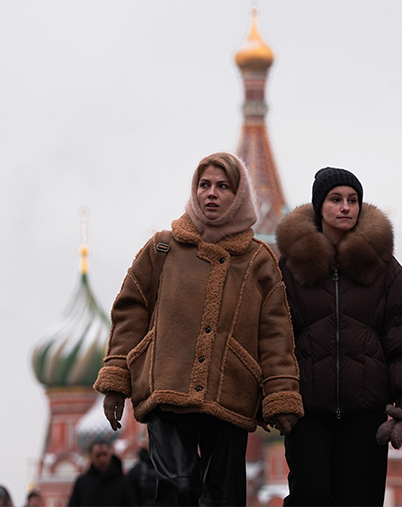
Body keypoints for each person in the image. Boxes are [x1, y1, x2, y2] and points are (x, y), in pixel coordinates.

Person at [94, 151, 304, 505]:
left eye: (223, 186)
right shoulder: (163, 247)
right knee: (177, 486)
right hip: (167, 387)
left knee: (224, 497)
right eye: (204, 185)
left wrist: (280, 394)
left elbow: (275, 334)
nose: (211, 193)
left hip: (230, 394)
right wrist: (116, 377)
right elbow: (130, 311)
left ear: (238, 195)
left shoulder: (258, 261)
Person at [275, 167, 402, 506]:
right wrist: (276, 392)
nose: (345, 207)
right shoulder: (290, 267)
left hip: (366, 408)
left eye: (353, 200)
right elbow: (276, 334)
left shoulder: (383, 266)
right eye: (336, 199)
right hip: (308, 408)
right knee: (309, 495)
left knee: (360, 499)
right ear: (319, 206)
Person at [67, 438, 135, 506]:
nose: (102, 459)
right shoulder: (82, 483)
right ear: (91, 457)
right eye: (98, 455)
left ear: (110, 454)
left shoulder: (123, 482)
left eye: (105, 454)